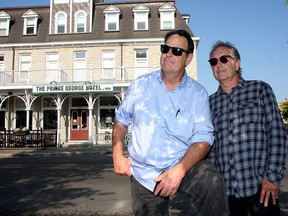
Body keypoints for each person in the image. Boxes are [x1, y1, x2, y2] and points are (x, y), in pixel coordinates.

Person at [112, 29, 229, 216]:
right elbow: (121, 121)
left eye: (176, 51)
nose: (168, 54)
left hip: (182, 164)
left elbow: (204, 138)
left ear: (188, 59)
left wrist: (179, 170)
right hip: (145, 172)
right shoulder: (140, 86)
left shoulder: (197, 93)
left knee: (211, 181)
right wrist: (117, 154)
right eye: (165, 48)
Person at [207, 40, 288, 216]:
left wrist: (272, 178)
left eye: (223, 59)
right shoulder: (210, 103)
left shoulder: (260, 89)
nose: (218, 64)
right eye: (213, 61)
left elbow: (277, 134)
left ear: (237, 63)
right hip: (227, 194)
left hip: (261, 189)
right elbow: (211, 147)